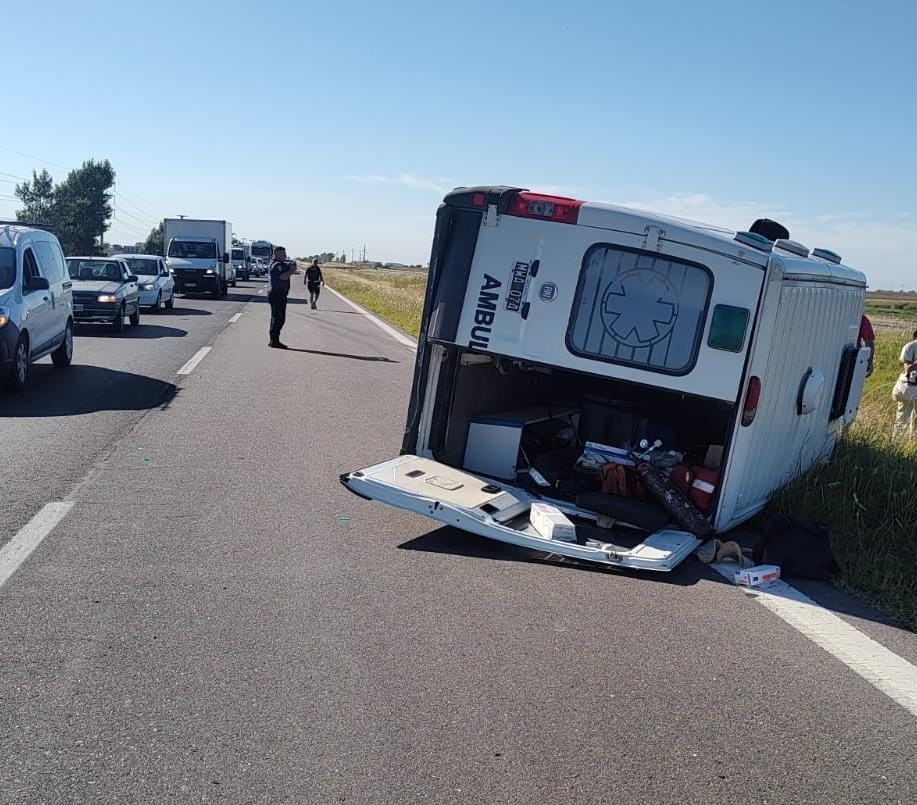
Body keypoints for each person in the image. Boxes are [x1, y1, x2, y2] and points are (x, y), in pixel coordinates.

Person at [267, 246, 299, 349]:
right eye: (283, 254)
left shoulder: (278, 264)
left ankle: (273, 340)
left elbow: (287, 265)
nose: (285, 256)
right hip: (277, 294)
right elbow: (282, 276)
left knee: (277, 318)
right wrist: (291, 271)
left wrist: (291, 264)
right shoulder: (277, 265)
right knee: (278, 319)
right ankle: (274, 340)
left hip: (278, 294)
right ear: (277, 254)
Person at [892, 328, 917, 441]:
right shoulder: (910, 347)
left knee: (914, 421)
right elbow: (907, 369)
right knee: (902, 418)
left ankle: (911, 445)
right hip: (910, 386)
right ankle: (896, 444)